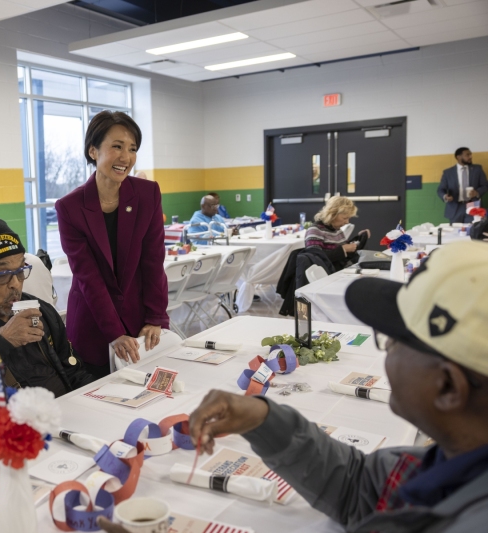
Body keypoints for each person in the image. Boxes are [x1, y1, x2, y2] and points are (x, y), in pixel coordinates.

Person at [100, 240, 488, 533]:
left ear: (448, 386)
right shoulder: (451, 463)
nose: (385, 354)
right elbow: (361, 488)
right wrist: (263, 420)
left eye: (392, 339)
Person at [55, 111, 169, 378]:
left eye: (132, 149)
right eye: (116, 146)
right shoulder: (70, 207)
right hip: (93, 324)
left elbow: (153, 261)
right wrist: (114, 332)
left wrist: (155, 317)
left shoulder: (147, 194)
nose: (125, 157)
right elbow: (88, 276)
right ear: (93, 151)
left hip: (141, 320)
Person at [0, 217, 94, 397]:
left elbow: (74, 372)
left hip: (66, 415)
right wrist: (1, 343)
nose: (16, 284)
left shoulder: (41, 311)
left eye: (20, 271)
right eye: (2, 274)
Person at [305, 196, 370, 272]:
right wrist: (343, 249)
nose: (347, 222)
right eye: (345, 218)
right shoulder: (315, 230)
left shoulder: (337, 230)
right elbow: (314, 258)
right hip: (328, 274)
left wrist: (360, 238)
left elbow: (346, 251)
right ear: (332, 214)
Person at [437, 147, 487, 223]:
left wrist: (477, 193)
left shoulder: (477, 169)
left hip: (472, 205)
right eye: (467, 155)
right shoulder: (448, 172)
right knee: (455, 232)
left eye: (470, 154)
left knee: (472, 231)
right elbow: (441, 189)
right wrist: (445, 196)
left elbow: (485, 185)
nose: (470, 157)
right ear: (458, 157)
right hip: (455, 207)